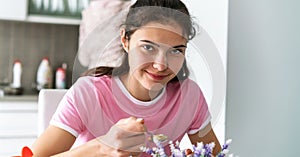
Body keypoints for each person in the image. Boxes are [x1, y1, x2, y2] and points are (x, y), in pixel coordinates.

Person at [32, 0, 221, 156]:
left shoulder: (189, 97)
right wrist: (103, 146)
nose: (161, 65)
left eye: (175, 51)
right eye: (148, 47)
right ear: (125, 40)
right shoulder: (89, 93)